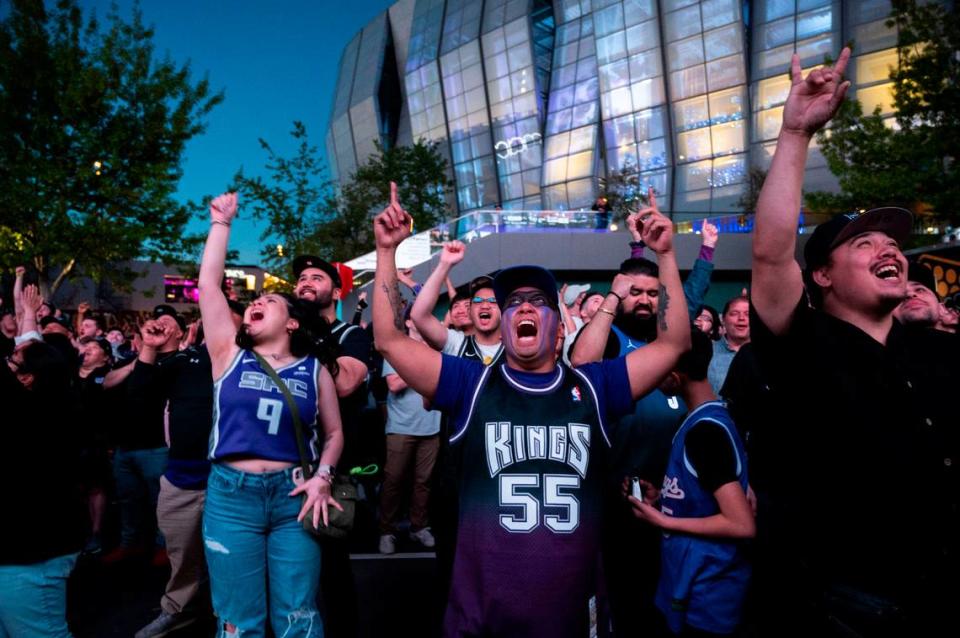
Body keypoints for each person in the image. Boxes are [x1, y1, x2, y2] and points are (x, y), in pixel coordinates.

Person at [372, 181, 690, 637]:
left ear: (558, 325)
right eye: (513, 302)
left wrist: (665, 255)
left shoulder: (595, 387)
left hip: (571, 612)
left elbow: (675, 343)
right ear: (502, 324)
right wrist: (387, 251)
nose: (525, 307)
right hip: (482, 615)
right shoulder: (470, 384)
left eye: (538, 301)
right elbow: (389, 339)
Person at [749, 47, 958, 635]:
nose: (889, 249)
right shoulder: (803, 346)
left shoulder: (935, 352)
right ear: (822, 274)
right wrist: (794, 133)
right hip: (842, 609)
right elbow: (769, 252)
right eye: (864, 244)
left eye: (892, 245)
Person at [198, 192, 344, 638]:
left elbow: (335, 433)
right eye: (254, 303)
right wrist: (221, 224)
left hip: (295, 497)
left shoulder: (312, 369)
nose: (257, 303)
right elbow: (207, 286)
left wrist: (323, 477)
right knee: (239, 622)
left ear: (293, 322)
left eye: (271, 301)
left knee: (298, 617)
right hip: (230, 498)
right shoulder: (227, 352)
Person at [628, 329, 754, 636]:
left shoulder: (705, 433)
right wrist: (665, 497)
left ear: (673, 372)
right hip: (694, 583)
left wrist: (663, 521)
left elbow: (741, 524)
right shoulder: (705, 418)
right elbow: (707, 488)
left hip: (708, 595)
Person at [292, 253, 370, 638]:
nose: (306, 282)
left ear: (336, 291)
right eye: (301, 278)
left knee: (331, 568)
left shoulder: (349, 335)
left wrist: (310, 337)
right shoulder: (283, 336)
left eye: (316, 278)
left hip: (329, 468)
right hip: (282, 466)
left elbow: (345, 384)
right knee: (286, 568)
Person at [1, 332, 86, 637]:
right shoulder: (44, 405)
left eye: (10, 361)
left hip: (31, 554)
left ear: (28, 379)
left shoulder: (37, 418)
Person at [378, 312, 441, 554]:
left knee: (423, 482)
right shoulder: (397, 349)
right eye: (417, 317)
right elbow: (393, 385)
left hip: (431, 425)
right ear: (408, 322)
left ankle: (419, 527)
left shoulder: (437, 348)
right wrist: (421, 362)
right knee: (394, 481)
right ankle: (387, 531)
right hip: (401, 428)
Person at [411, 241, 504, 365]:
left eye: (492, 301)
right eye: (477, 301)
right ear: (470, 311)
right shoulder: (456, 343)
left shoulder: (516, 347)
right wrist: (444, 265)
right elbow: (419, 316)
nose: (485, 305)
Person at [706, 296, 750, 394]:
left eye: (748, 314)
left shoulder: (766, 355)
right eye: (734, 314)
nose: (741, 318)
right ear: (723, 320)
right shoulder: (707, 352)